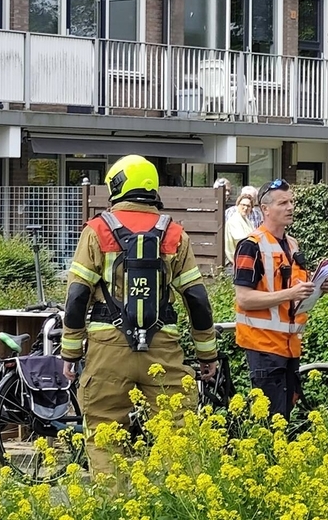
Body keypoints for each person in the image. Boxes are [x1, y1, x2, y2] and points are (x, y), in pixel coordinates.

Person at [61, 155, 218, 478]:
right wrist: (207, 355)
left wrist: (70, 353)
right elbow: (197, 299)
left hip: (107, 349)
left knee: (104, 434)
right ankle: (179, 500)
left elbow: (77, 297)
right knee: (177, 433)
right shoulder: (174, 234)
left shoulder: (97, 231)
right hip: (162, 349)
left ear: (117, 186)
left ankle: (113, 501)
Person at [233, 179, 328, 419]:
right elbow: (244, 299)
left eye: (292, 202)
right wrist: (290, 294)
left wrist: (319, 288)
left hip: (290, 345)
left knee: (284, 417)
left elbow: (295, 294)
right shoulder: (250, 246)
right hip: (263, 346)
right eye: (282, 203)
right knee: (271, 420)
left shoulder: (292, 244)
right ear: (265, 209)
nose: (290, 207)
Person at [224, 193, 255, 269]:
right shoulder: (234, 220)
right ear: (238, 205)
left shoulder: (247, 221)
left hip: (246, 261)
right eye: (243, 205)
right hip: (236, 263)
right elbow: (242, 242)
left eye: (248, 206)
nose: (245, 208)